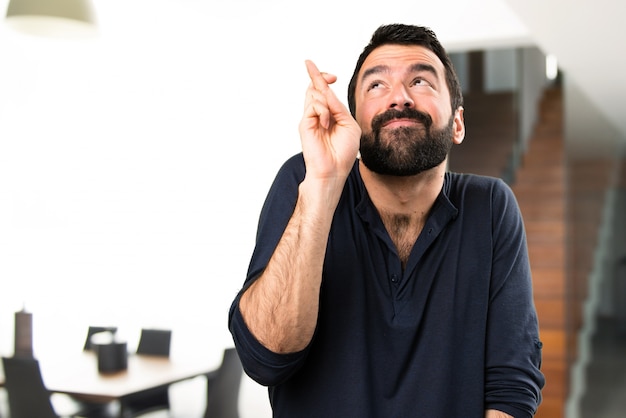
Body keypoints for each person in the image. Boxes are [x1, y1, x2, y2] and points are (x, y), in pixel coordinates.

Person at [229, 23, 545, 418]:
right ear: (353, 122)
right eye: (376, 86)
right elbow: (265, 359)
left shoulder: (491, 206)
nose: (399, 98)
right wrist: (324, 184)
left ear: (458, 124)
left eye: (421, 82)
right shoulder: (305, 179)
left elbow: (511, 387)